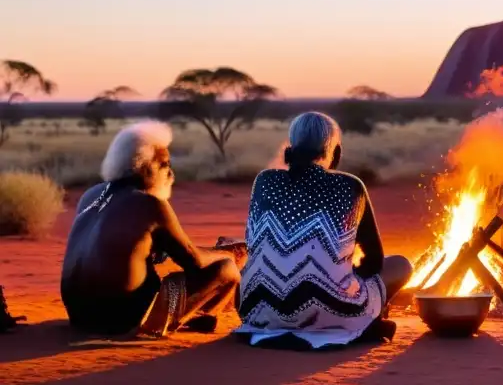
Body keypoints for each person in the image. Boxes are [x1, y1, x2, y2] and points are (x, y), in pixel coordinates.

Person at [235, 111, 412, 349]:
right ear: (336, 153)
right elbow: (374, 261)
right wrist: (347, 274)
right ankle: (365, 320)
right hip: (333, 311)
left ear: (292, 147)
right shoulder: (351, 185)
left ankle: (359, 318)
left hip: (258, 310)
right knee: (400, 264)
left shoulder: (264, 181)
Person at [61, 121, 242, 337]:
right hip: (121, 323)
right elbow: (194, 260)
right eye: (164, 165)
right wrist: (229, 252)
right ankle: (191, 317)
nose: (171, 174)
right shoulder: (151, 204)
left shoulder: (92, 195)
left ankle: (197, 317)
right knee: (227, 269)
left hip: (80, 317)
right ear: (144, 167)